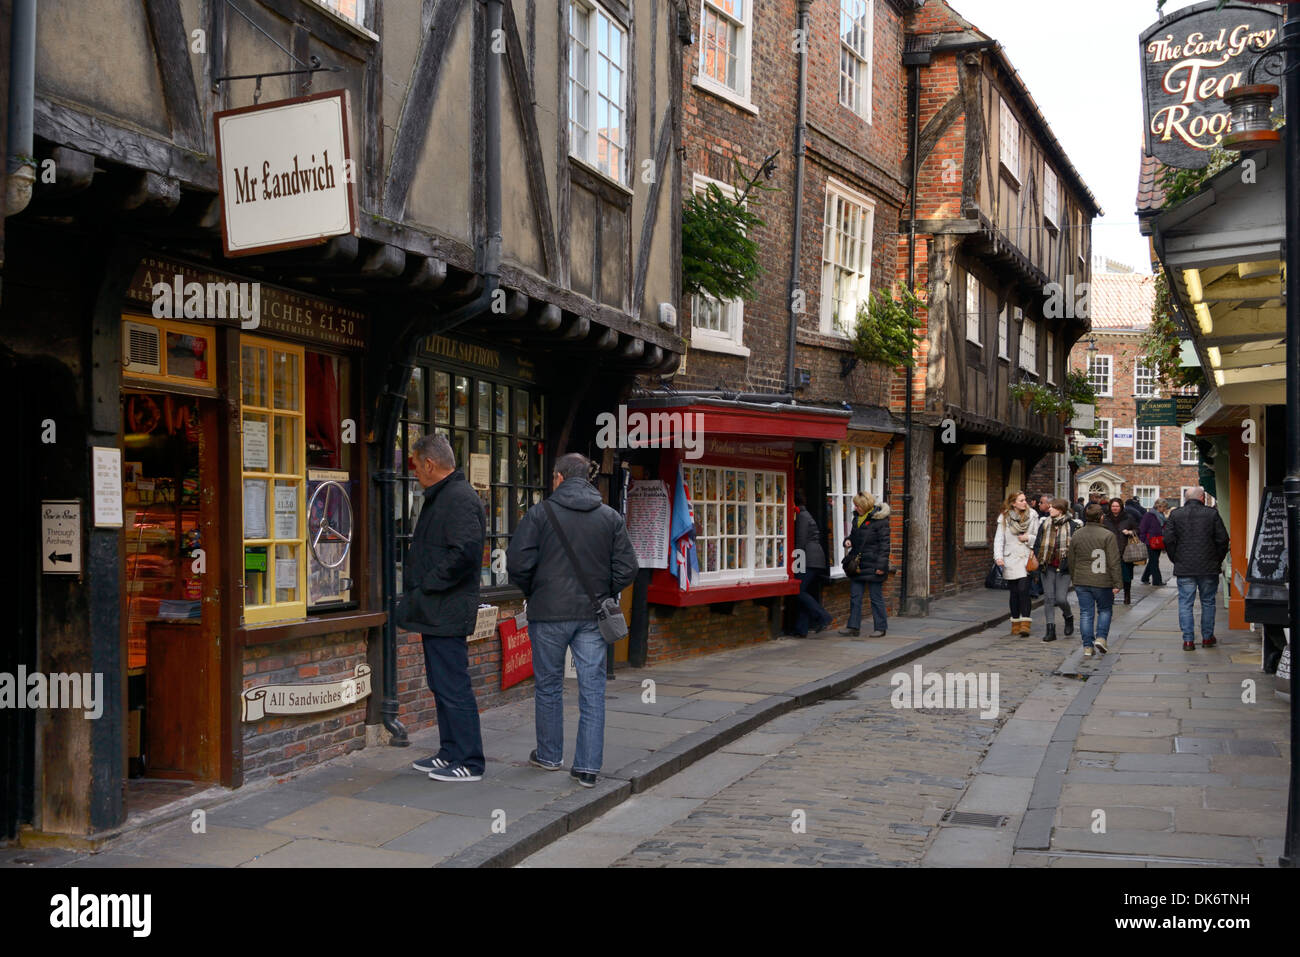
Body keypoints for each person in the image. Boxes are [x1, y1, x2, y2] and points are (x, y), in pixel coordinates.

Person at [507, 453, 638, 787]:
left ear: (559, 478)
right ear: (588, 479)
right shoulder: (609, 517)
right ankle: (587, 768)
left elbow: (517, 563)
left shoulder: (539, 513)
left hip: (547, 613)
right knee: (592, 690)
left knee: (549, 686)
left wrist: (536, 589)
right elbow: (627, 568)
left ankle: (550, 756)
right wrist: (603, 591)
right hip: (592, 615)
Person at [397, 433, 488, 782]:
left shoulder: (459, 498)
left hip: (446, 608)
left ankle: (470, 761)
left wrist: (426, 583)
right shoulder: (445, 495)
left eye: (417, 466)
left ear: (430, 464)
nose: (416, 473)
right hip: (437, 608)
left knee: (453, 684)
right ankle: (450, 751)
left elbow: (464, 554)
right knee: (441, 683)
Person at [1161, 485, 1230, 651]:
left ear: (1186, 498)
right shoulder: (1212, 514)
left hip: (1185, 566)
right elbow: (1223, 540)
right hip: (1208, 566)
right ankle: (1207, 638)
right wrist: (1217, 560)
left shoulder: (1176, 515)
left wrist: (1175, 558)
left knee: (1185, 603)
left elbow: (1168, 539)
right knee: (1208, 602)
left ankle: (1188, 640)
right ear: (1202, 498)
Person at [1067, 503, 1122, 656]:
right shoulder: (1108, 535)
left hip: (1082, 580)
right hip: (1102, 580)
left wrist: (1074, 577)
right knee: (1105, 610)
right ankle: (1101, 638)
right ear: (1101, 517)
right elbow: (1114, 561)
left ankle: (1087, 646)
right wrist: (1117, 582)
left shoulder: (1077, 534)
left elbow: (1071, 559)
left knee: (1086, 613)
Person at [840, 492, 891, 637]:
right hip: (858, 565)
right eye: (855, 505)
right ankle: (853, 627)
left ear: (865, 505)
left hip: (874, 565)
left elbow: (885, 546)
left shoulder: (880, 521)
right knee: (855, 597)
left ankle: (880, 628)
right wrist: (847, 541)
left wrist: (881, 567)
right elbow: (853, 537)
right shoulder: (857, 518)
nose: (855, 508)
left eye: (857, 505)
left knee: (876, 598)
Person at [994, 490, 1040, 636]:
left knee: (1023, 590)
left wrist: (1028, 538)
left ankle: (1025, 623)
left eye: (1025, 499)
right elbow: (999, 538)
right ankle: (1015, 622)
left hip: (1026, 557)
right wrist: (998, 557)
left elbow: (1038, 536)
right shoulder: (1005, 517)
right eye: (1021, 500)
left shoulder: (1033, 515)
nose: (1024, 502)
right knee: (1014, 593)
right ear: (1013, 503)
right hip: (1010, 558)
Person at [1033, 498, 1078, 642]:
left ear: (1060, 510)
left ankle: (1068, 616)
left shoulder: (1073, 525)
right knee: (1049, 598)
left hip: (1064, 567)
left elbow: (1076, 548)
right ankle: (1050, 629)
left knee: (1061, 599)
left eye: (1052, 507)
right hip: (1047, 565)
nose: (1049, 509)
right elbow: (1037, 543)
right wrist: (1039, 559)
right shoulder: (1045, 523)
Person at [791, 489, 833, 637]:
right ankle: (801, 629)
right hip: (813, 558)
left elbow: (801, 541)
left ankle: (823, 616)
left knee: (798, 590)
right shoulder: (805, 514)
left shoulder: (802, 516)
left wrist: (795, 560)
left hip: (809, 559)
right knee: (803, 592)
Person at [1103, 496, 1140, 604]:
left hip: (1125, 550)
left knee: (1126, 575)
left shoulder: (1128, 517)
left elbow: (1138, 529)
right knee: (1111, 575)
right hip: (1110, 550)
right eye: (1113, 506)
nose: (1115, 508)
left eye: (1117, 506)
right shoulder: (1105, 519)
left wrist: (1130, 532)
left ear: (1121, 507)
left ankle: (1127, 596)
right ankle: (1111, 596)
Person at [1139, 498, 1169, 586]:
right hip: (1150, 541)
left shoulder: (1161, 515)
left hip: (1159, 541)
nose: (1165, 509)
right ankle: (1157, 581)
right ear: (1158, 506)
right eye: (1164, 507)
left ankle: (1145, 577)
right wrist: (1143, 540)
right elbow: (1142, 528)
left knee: (1153, 561)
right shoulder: (1149, 515)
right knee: (1154, 561)